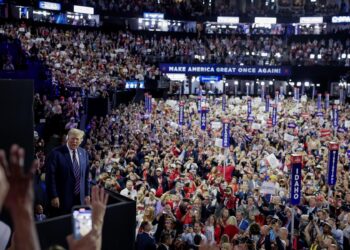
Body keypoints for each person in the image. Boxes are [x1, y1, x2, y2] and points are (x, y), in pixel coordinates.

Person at [46, 128, 90, 215]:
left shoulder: (84, 153)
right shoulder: (56, 153)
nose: (74, 141)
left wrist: (87, 194)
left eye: (77, 139)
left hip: (80, 198)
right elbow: (50, 177)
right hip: (62, 198)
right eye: (72, 138)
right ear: (67, 138)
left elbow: (86, 176)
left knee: (79, 225)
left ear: (81, 141)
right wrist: (54, 196)